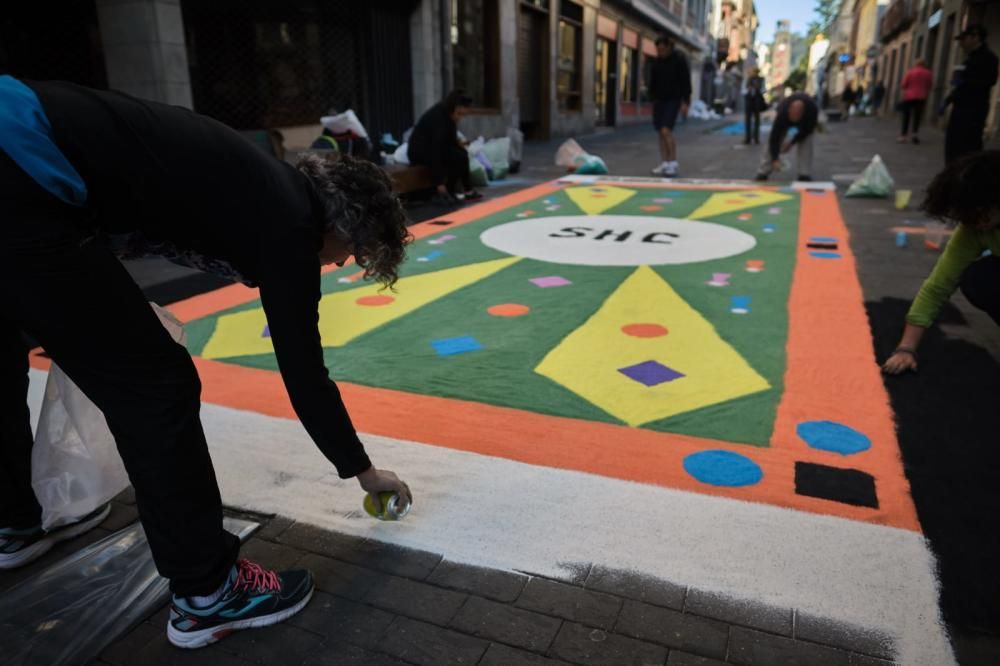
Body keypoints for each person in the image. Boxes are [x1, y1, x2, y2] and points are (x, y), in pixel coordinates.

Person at [0, 75, 413, 648]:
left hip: (17, 143)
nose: (343, 264)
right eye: (354, 252)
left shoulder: (261, 182)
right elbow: (304, 374)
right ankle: (208, 592)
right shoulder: (290, 222)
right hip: (22, 175)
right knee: (156, 382)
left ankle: (14, 520)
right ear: (345, 222)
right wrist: (364, 470)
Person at [883, 151, 1000, 375]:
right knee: (978, 278)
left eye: (979, 215)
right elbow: (938, 285)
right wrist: (906, 348)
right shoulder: (974, 229)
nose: (972, 224)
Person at [407, 89, 482, 203]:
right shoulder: (438, 116)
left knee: (461, 154)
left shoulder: (449, 116)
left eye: (463, 115)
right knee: (453, 156)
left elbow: (450, 142)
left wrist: (460, 146)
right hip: (420, 151)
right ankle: (443, 191)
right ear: (453, 108)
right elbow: (435, 149)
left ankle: (466, 190)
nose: (459, 118)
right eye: (459, 114)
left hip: (435, 149)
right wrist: (439, 183)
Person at [942, 25, 998, 163]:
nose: (961, 43)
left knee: (967, 148)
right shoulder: (970, 58)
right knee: (954, 147)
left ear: (975, 37)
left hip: (973, 111)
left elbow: (988, 81)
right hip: (961, 108)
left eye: (964, 39)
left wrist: (965, 79)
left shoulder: (988, 58)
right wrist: (949, 98)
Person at [648, 35, 692, 177]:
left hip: (673, 100)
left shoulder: (679, 61)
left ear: (669, 47)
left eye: (662, 49)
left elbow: (686, 81)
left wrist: (686, 102)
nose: (660, 52)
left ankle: (673, 162)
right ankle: (665, 163)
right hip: (659, 100)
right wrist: (651, 97)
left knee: (666, 130)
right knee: (660, 132)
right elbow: (652, 82)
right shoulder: (657, 62)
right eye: (658, 49)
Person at [754, 93, 819, 182]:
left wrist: (791, 143)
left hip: (805, 124)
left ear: (803, 112)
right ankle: (763, 171)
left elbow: (805, 132)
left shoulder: (812, 111)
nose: (794, 118)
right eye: (792, 115)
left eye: (797, 115)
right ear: (789, 110)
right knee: (772, 144)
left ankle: (804, 173)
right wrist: (775, 159)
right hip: (784, 120)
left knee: (806, 142)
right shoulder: (782, 112)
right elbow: (774, 138)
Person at [897, 59, 932, 144]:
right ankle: (914, 135)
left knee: (906, 116)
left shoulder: (910, 72)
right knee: (917, 116)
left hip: (909, 97)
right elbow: (930, 85)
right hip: (921, 97)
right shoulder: (928, 73)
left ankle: (903, 136)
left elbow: (903, 85)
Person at [743, 67, 766, 145]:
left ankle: (756, 138)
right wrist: (749, 89)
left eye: (755, 72)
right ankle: (748, 138)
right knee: (748, 120)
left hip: (757, 100)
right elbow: (744, 90)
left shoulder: (761, 79)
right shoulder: (748, 79)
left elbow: (763, 90)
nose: (754, 74)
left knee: (757, 120)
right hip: (749, 100)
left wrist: (758, 89)